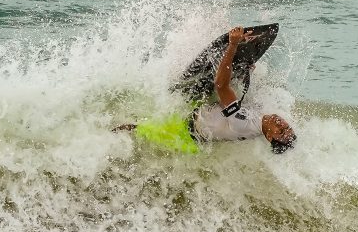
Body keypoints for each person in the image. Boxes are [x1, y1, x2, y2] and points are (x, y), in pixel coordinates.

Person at [113, 26, 296, 154]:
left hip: (184, 131)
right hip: (201, 115)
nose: (282, 124)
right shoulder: (260, 121)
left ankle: (103, 137)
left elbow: (221, 86)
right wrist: (244, 71)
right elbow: (234, 97)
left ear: (270, 137)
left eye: (280, 131)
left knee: (133, 128)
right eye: (286, 126)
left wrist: (232, 46)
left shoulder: (243, 123)